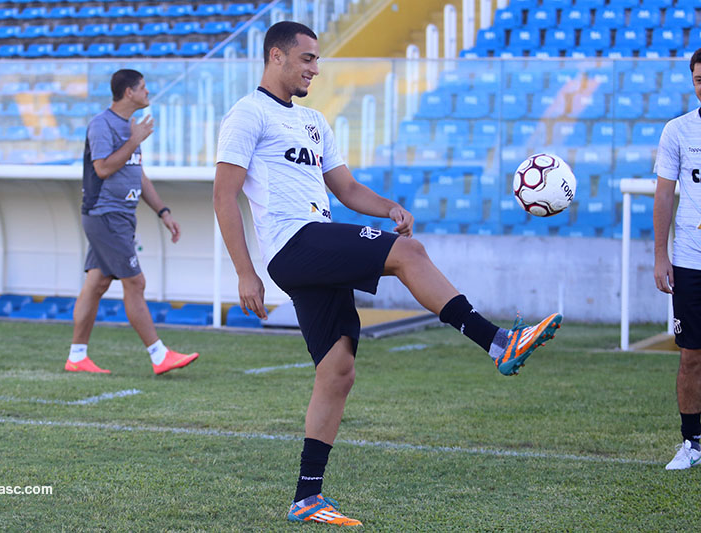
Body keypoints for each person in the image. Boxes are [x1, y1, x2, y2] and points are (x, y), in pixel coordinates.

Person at [213, 21, 562, 526]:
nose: (315, 69)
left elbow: (347, 189)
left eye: (317, 60)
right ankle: (496, 342)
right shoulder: (247, 114)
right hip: (292, 243)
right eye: (307, 58)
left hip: (314, 244)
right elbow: (224, 196)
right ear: (276, 57)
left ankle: (307, 497)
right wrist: (245, 273)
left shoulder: (313, 120)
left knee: (338, 370)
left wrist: (388, 207)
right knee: (409, 253)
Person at [65, 69, 199, 375]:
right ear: (129, 92)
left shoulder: (129, 126)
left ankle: (77, 356)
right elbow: (102, 168)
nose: (147, 92)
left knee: (97, 283)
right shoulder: (102, 124)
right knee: (135, 282)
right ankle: (159, 355)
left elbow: (136, 173)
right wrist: (134, 140)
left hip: (120, 216)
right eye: (143, 87)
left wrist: (163, 212)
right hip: (105, 215)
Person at [653, 48, 701, 470]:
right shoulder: (678, 131)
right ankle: (692, 443)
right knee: (691, 355)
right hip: (689, 261)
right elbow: (664, 195)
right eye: (699, 80)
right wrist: (659, 256)